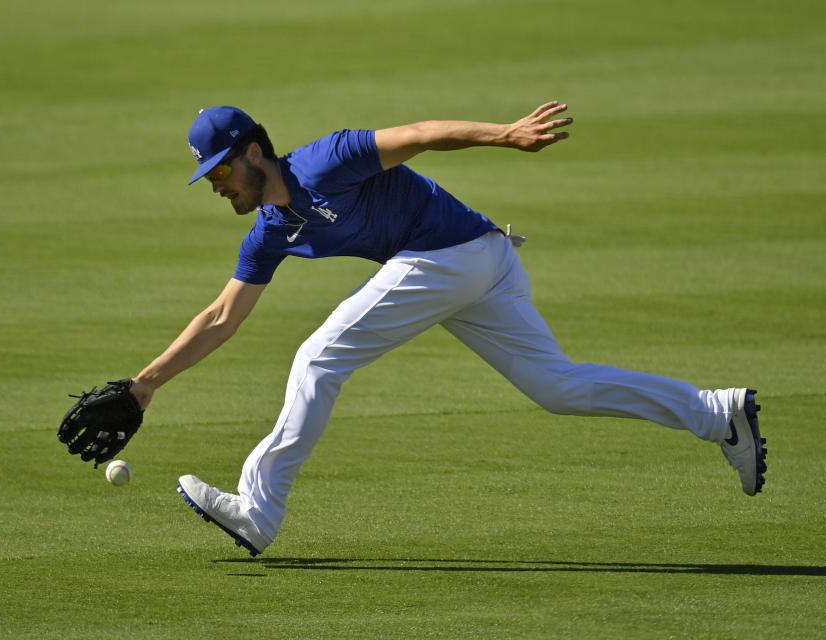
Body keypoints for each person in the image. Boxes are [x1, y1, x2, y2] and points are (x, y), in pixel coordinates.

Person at [127, 101, 767, 556]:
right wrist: (144, 385)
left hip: (456, 253)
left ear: (254, 153)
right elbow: (220, 317)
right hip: (474, 263)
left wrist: (507, 135)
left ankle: (259, 511)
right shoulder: (269, 233)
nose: (215, 186)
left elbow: (423, 132)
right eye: (207, 177)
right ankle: (716, 413)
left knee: (319, 357)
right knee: (557, 387)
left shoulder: (327, 160)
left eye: (219, 170)